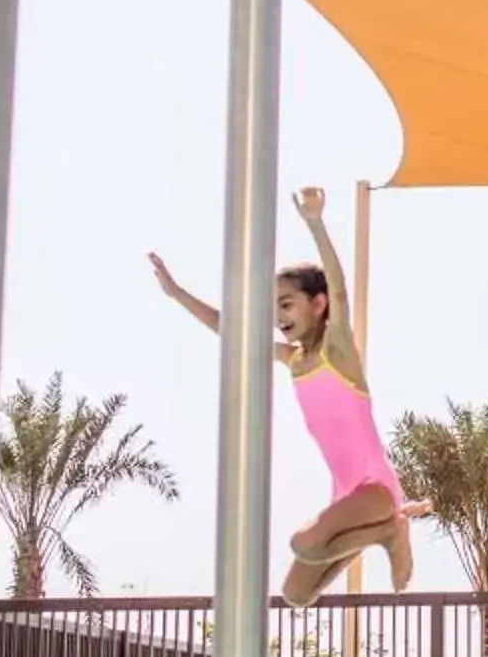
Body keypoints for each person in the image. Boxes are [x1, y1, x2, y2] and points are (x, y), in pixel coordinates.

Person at [150, 186, 425, 607]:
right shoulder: (295, 360)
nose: (278, 317)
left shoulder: (338, 351)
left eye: (287, 304)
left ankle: (390, 530)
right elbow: (232, 330)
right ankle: (385, 532)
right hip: (344, 493)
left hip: (374, 488)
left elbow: (340, 291)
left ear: (317, 304)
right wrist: (176, 293)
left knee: (303, 542)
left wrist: (315, 222)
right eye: (274, 308)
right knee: (296, 594)